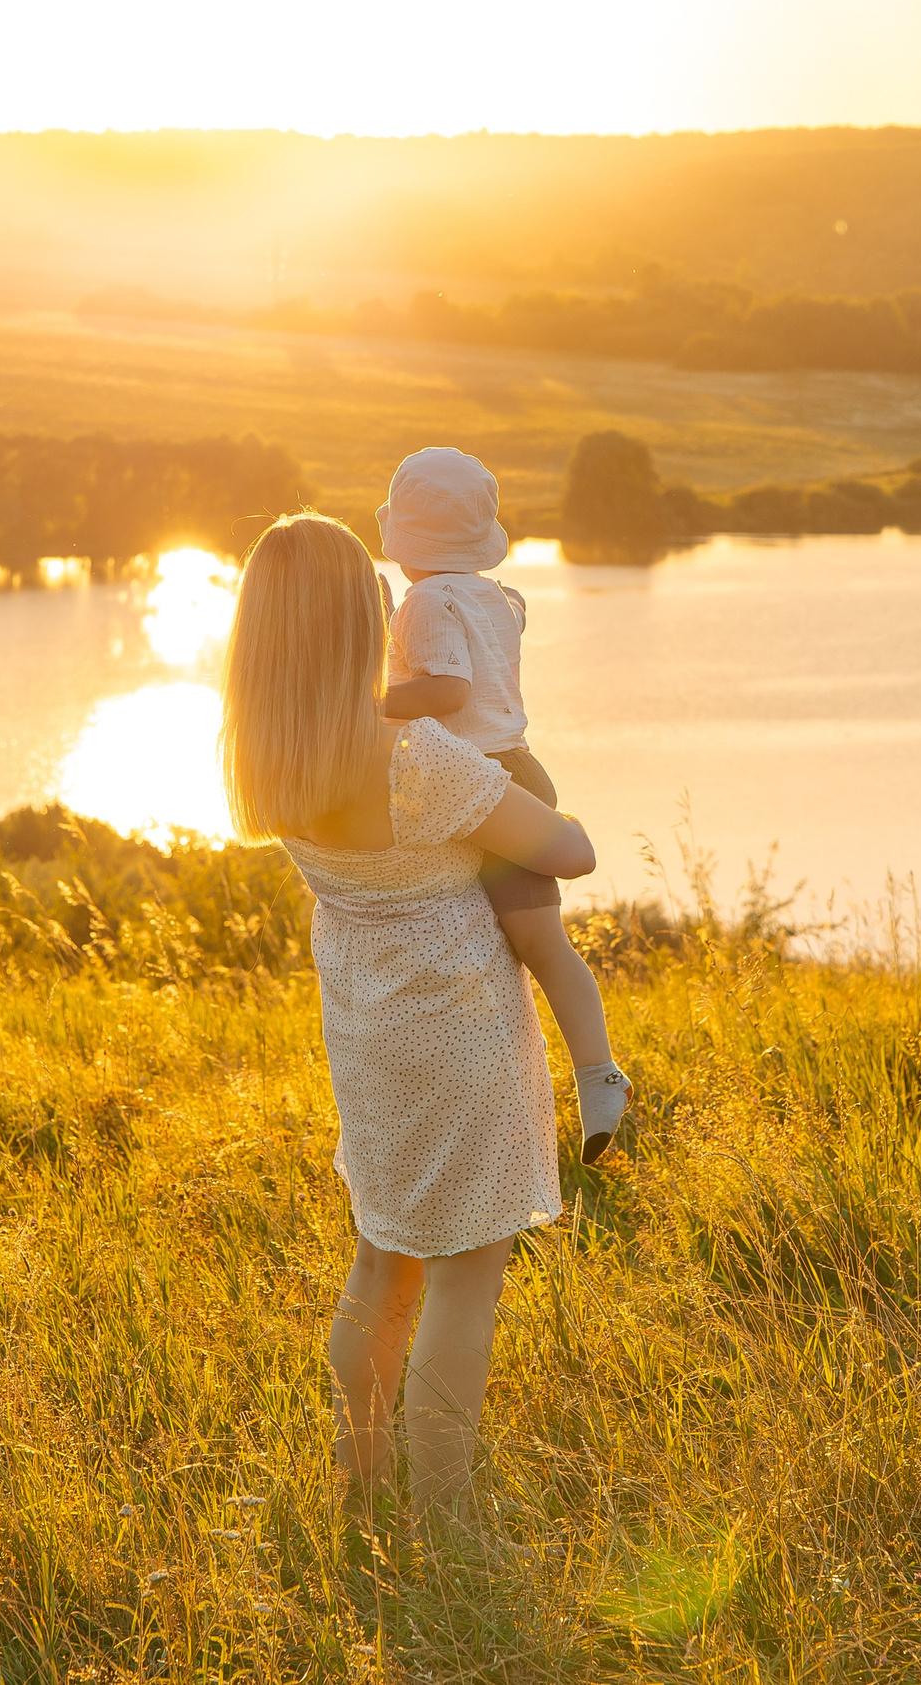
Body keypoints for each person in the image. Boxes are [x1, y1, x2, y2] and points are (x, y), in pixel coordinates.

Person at [220, 511, 598, 1527]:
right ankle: (447, 1525)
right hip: (457, 1024)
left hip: (368, 1024)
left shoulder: (268, 755)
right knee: (467, 1273)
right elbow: (562, 852)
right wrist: (550, 794)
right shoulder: (412, 755)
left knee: (382, 1253)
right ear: (363, 622)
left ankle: (362, 1480)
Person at [375, 447, 632, 1162]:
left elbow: (449, 691)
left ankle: (595, 1073)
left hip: (481, 783)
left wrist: (368, 702)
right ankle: (590, 1072)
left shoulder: (427, 601)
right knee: (530, 945)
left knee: (536, 943)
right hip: (519, 766)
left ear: (403, 539)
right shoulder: (494, 595)